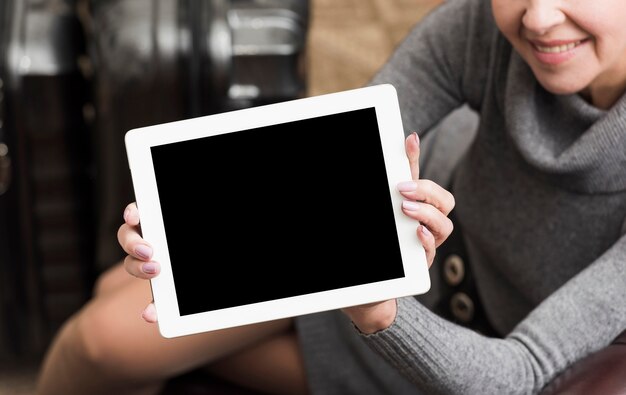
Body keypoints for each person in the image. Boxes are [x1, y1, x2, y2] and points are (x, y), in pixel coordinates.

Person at [36, 0, 626, 394]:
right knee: (121, 288)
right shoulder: (485, 26)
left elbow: (520, 371)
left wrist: (384, 314)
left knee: (99, 343)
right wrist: (187, 215)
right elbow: (335, 159)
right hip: (362, 241)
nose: (541, 16)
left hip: (439, 349)